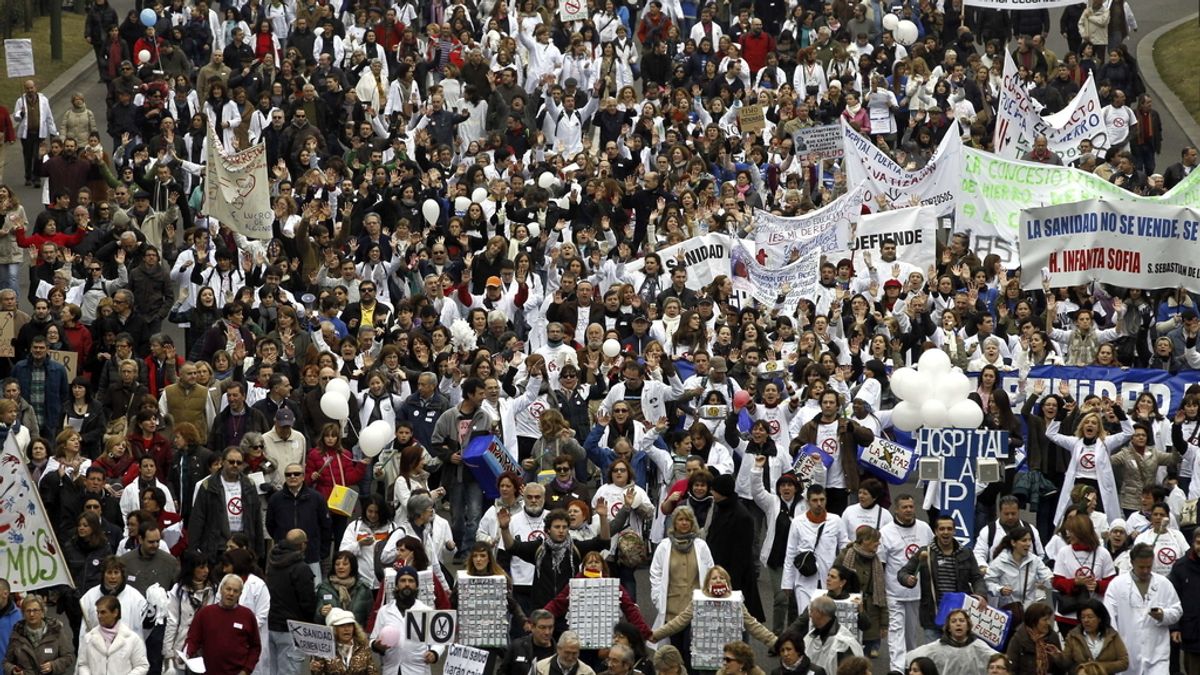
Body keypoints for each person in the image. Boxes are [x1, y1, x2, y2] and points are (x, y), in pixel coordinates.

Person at [898, 515, 987, 642]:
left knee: (958, 656)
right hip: (932, 616)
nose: (946, 532)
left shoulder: (966, 553)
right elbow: (903, 572)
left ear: (954, 531)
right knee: (933, 658)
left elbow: (977, 577)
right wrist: (907, 579)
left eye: (949, 529)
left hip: (959, 616)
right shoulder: (925, 553)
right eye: (942, 529)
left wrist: (981, 594)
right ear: (936, 531)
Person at [1103, 543, 1182, 675]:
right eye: (1141, 567)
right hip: (1127, 651)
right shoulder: (1117, 585)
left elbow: (1177, 610)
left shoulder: (1163, 583)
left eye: (1149, 567)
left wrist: (1163, 615)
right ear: (1132, 562)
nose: (1145, 571)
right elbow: (1108, 617)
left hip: (1157, 652)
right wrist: (1114, 645)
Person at [880, 494, 933, 673]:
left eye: (911, 506)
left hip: (918, 591)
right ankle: (896, 669)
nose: (909, 510)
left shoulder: (924, 528)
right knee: (896, 631)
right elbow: (881, 564)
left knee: (911, 635)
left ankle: (912, 666)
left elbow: (932, 555)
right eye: (905, 507)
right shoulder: (886, 532)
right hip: (894, 591)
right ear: (896, 509)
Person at [784, 484, 849, 616]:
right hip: (804, 580)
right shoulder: (797, 522)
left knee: (826, 618)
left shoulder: (836, 520)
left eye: (822, 500)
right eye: (814, 500)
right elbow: (790, 553)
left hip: (829, 578)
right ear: (808, 502)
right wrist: (787, 584)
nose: (819, 504)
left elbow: (844, 547)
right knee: (806, 617)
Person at [648, 505, 714, 636]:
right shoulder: (664, 546)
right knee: (674, 652)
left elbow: (711, 573)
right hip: (671, 613)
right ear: (674, 523)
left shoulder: (701, 546)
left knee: (691, 652)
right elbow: (655, 574)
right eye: (681, 519)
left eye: (688, 520)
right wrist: (657, 598)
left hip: (696, 611)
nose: (684, 523)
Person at [189, 447, 264, 560]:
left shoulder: (249, 485)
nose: (235, 465)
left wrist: (259, 550)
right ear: (223, 462)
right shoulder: (208, 485)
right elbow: (198, 518)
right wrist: (193, 549)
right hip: (217, 545)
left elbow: (256, 518)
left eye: (238, 462)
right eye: (231, 462)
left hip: (243, 544)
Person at [369, 566, 446, 675]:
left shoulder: (426, 611)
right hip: (392, 669)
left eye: (411, 581)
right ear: (396, 585)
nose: (407, 584)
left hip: (417, 669)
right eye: (403, 580)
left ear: (416, 585)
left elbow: (439, 641)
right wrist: (376, 646)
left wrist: (434, 653)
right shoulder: (384, 611)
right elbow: (373, 638)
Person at [186, 574, 263, 675]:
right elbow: (193, 639)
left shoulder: (247, 615)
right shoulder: (205, 613)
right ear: (221, 590)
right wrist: (187, 654)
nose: (231, 593)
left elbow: (256, 647)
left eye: (235, 591)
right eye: (228, 589)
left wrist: (246, 670)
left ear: (240, 594)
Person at [266, 529, 318, 675]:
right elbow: (307, 602)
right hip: (292, 629)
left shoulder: (272, 563)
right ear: (302, 545)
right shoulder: (301, 568)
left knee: (271, 670)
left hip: (270, 625)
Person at [163, 551, 218, 675]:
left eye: (207, 567)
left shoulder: (214, 591)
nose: (206, 571)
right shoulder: (178, 590)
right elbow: (172, 621)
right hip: (182, 645)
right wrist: (168, 652)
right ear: (191, 569)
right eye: (201, 567)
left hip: (206, 648)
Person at [985, 524, 1053, 613]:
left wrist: (1053, 581)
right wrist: (1000, 590)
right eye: (1024, 540)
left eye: (1030, 540)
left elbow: (1047, 577)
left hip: (1029, 613)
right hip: (1008, 611)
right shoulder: (1000, 562)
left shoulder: (1035, 560)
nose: (1028, 544)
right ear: (1013, 543)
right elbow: (988, 582)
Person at [906, 608, 997, 673]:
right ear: (949, 627)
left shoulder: (978, 646)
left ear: (968, 625)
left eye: (961, 621)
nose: (958, 624)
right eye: (953, 621)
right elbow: (910, 658)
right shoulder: (937, 648)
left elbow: (998, 659)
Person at [77, 595, 150, 675]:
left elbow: (142, 666)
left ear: (115, 612)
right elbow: (83, 664)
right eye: (98, 612)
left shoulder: (132, 639)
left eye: (103, 612)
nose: (99, 616)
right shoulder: (89, 638)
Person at [1062, 599, 1130, 674]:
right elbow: (1066, 663)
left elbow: (1124, 662)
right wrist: (1057, 656)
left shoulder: (1112, 635)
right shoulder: (1073, 636)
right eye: (1083, 617)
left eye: (1090, 617)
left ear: (1099, 618)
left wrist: (1098, 668)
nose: (1086, 620)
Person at [801, 595, 864, 675]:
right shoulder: (811, 636)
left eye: (812, 611)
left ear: (820, 613)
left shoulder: (843, 644)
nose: (810, 615)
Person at [310, 608, 380, 675]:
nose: (346, 629)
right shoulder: (324, 650)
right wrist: (316, 670)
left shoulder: (362, 647)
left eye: (349, 625)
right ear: (334, 629)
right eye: (342, 626)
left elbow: (372, 671)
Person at [1004, 602, 1069, 674]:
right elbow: (1010, 669)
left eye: (1049, 619)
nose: (1048, 623)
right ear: (1033, 621)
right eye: (1045, 620)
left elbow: (1062, 669)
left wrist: (1058, 658)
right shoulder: (1018, 639)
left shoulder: (1052, 637)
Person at [1169, 528, 1200, 673]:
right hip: (1192, 632)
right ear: (1192, 543)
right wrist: (1175, 627)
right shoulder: (1181, 567)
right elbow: (1172, 598)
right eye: (1199, 543)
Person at [317, 551, 376, 627]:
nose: (340, 567)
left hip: (356, 635)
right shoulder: (324, 588)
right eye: (337, 564)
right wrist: (321, 612)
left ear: (352, 567)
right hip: (332, 634)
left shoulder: (363, 589)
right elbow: (317, 619)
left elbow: (370, 618)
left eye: (345, 564)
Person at [498, 609, 557, 675]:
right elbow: (502, 672)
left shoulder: (558, 652)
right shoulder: (517, 647)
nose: (547, 632)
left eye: (550, 627)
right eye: (542, 627)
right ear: (532, 627)